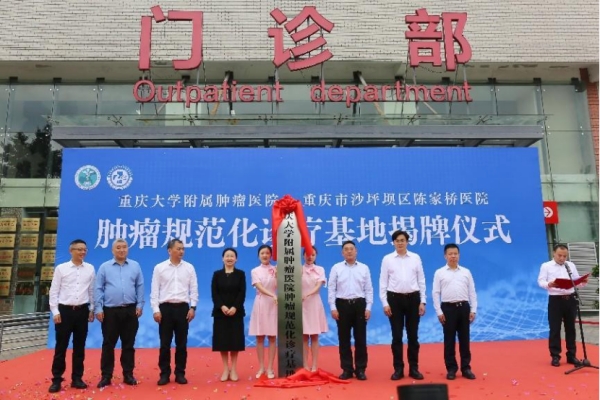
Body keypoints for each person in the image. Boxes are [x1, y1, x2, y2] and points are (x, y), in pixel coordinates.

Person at [94, 239, 144, 388]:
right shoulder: (104, 267)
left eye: (124, 247)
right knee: (108, 344)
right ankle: (106, 376)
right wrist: (98, 308)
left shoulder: (135, 266)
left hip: (130, 310)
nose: (122, 250)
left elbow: (140, 286)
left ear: (127, 249)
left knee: (128, 344)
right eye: (118, 247)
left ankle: (128, 374)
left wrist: (140, 305)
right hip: (110, 311)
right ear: (112, 250)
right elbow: (98, 288)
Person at [48, 239, 95, 393]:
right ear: (71, 251)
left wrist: (92, 309)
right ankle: (56, 379)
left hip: (82, 311)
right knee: (61, 347)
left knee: (79, 347)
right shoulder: (61, 269)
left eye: (85, 250)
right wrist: (55, 311)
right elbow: (54, 291)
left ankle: (77, 378)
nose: (83, 252)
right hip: (64, 312)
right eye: (79, 249)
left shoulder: (90, 268)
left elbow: (91, 291)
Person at [379, 230, 426, 381]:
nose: (400, 243)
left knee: (413, 336)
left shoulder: (415, 258)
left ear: (407, 242)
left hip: (413, 299)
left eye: (402, 240)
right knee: (397, 336)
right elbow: (383, 283)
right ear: (393, 243)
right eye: (397, 240)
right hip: (394, 300)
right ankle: (398, 369)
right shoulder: (387, 259)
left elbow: (421, 280)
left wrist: (422, 301)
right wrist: (385, 303)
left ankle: (414, 368)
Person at [150, 238, 199, 385]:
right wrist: (155, 310)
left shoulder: (189, 268)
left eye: (183, 249)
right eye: (178, 249)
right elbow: (154, 291)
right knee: (165, 344)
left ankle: (180, 373)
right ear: (169, 250)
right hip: (165, 309)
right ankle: (164, 374)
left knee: (181, 344)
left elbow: (194, 289)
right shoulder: (159, 268)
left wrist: (193, 307)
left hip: (183, 308)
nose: (181, 251)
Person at [328, 240, 373, 381]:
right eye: (346, 249)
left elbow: (368, 289)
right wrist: (333, 307)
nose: (349, 251)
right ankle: (347, 369)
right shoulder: (336, 268)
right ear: (342, 253)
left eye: (351, 249)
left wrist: (368, 307)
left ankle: (360, 369)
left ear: (356, 251)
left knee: (361, 339)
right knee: (344, 339)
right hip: (342, 305)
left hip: (359, 304)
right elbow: (331, 289)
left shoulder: (364, 268)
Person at [431, 243, 477, 380]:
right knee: (449, 340)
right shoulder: (439, 273)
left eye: (455, 254)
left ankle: (466, 368)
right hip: (448, 309)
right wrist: (439, 312)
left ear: (459, 255)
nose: (453, 256)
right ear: (445, 256)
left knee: (464, 340)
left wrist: (473, 309)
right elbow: (435, 293)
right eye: (450, 254)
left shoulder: (466, 272)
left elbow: (472, 292)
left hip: (464, 308)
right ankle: (451, 369)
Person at [537, 244, 588, 367]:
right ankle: (555, 356)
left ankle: (571, 355)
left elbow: (575, 281)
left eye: (565, 256)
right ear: (554, 253)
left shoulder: (570, 265)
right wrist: (549, 284)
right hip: (556, 300)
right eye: (559, 255)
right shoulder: (546, 266)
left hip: (570, 299)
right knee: (555, 328)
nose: (562, 258)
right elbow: (540, 281)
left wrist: (582, 282)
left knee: (571, 328)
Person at [211, 247, 247, 382]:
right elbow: (214, 293)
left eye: (232, 256)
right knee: (223, 342)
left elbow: (242, 293)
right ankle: (226, 369)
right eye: (227, 256)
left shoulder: (240, 274)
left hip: (236, 313)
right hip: (220, 313)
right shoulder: (217, 274)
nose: (229, 258)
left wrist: (234, 307)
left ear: (236, 259)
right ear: (223, 259)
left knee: (234, 342)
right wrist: (222, 306)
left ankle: (234, 369)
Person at [248, 244, 278, 379]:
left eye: (267, 253)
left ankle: (270, 368)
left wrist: (278, 276)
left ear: (271, 255)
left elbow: (279, 286)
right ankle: (261, 367)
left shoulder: (276, 269)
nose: (265, 255)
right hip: (261, 303)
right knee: (259, 337)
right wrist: (272, 295)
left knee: (272, 337)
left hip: (273, 304)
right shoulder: (255, 271)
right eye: (262, 253)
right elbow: (259, 287)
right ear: (258, 255)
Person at [301, 246, 328, 372]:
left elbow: (318, 285)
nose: (310, 257)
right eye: (307, 254)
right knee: (304, 336)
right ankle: (305, 364)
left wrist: (308, 294)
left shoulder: (320, 269)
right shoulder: (298, 269)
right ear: (303, 255)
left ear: (316, 256)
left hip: (314, 303)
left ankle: (315, 364)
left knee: (315, 336)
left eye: (313, 254)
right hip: (302, 304)